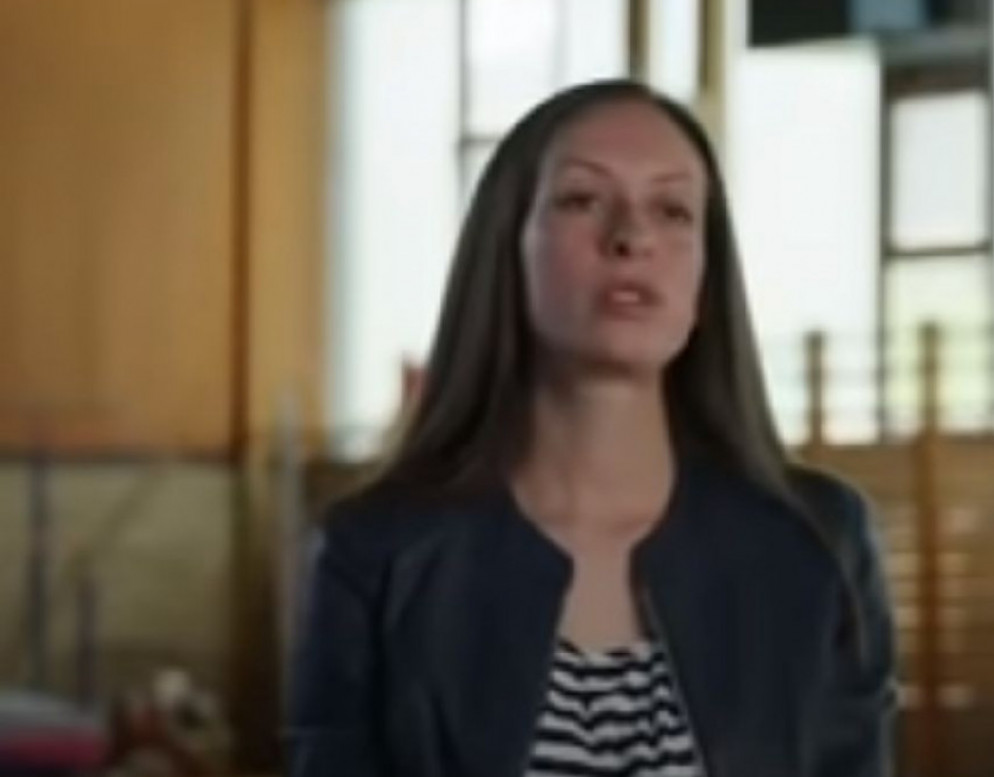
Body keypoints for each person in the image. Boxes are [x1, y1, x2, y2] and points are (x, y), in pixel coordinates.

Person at [287, 79, 897, 777]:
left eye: (672, 209)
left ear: (706, 279)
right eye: (582, 199)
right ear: (507, 249)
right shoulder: (374, 556)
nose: (631, 237)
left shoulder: (818, 545)